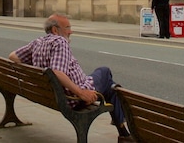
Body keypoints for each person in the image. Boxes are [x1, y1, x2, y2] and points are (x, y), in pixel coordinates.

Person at [10, 13, 132, 141]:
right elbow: (57, 72)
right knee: (105, 73)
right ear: (55, 30)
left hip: (51, 95)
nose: (71, 31)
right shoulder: (60, 42)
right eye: (67, 27)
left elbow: (13, 56)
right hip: (72, 98)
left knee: (110, 87)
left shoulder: (38, 42)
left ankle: (120, 124)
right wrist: (81, 93)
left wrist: (37, 69)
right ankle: (122, 129)